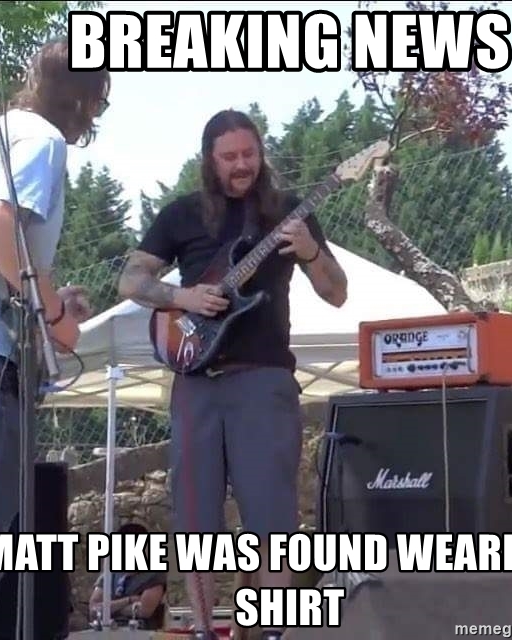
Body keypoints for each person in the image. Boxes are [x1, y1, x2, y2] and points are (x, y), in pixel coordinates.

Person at [117, 109, 348, 640]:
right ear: (209, 160)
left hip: (264, 380)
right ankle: (203, 628)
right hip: (195, 380)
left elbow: (336, 293)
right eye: (229, 157)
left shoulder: (289, 212)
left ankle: (271, 631)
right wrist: (181, 296)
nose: (242, 165)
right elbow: (130, 280)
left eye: (250, 154)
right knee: (196, 517)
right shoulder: (181, 214)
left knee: (271, 516)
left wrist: (312, 252)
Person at [0, 37, 110, 639]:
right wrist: (56, 317)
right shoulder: (42, 140)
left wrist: (47, 297)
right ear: (84, 97)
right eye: (100, 100)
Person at [89, 523, 167, 630]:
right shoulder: (109, 575)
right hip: (108, 632)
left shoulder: (154, 575)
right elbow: (94, 609)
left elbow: (144, 611)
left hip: (141, 633)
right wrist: (129, 600)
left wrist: (108, 608)